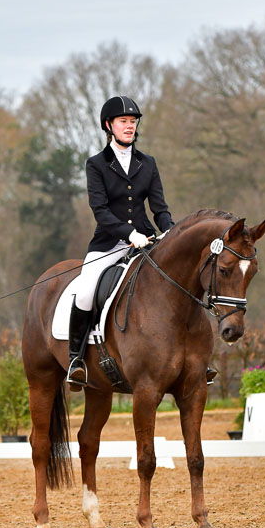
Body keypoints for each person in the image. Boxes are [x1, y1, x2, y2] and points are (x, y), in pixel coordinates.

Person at [67, 95, 174, 386]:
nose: (129, 126)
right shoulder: (96, 165)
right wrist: (129, 235)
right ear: (109, 125)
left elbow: (160, 209)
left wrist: (170, 233)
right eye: (123, 122)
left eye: (132, 121)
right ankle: (76, 360)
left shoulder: (147, 163)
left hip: (147, 240)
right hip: (109, 243)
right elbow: (100, 211)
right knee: (87, 289)